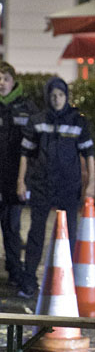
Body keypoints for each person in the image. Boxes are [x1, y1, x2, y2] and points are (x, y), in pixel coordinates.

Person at [16, 77, 95, 298]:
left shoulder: (77, 121)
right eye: (53, 95)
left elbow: (88, 153)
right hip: (42, 185)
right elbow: (25, 154)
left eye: (60, 95)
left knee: (69, 234)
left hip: (68, 187)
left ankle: (64, 281)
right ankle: (28, 280)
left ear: (66, 96)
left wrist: (90, 185)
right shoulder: (38, 120)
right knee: (36, 234)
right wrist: (21, 181)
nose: (57, 99)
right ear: (47, 97)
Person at [0, 62, 38, 287]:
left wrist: (27, 180)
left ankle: (15, 271)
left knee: (13, 228)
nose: (1, 83)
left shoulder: (26, 107)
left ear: (13, 81)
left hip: (16, 182)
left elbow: (35, 146)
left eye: (5, 78)